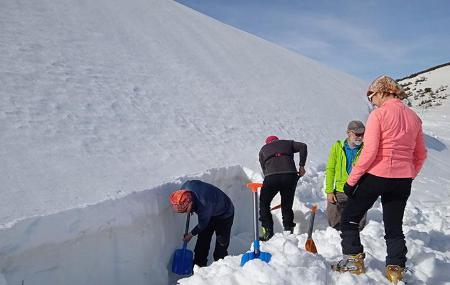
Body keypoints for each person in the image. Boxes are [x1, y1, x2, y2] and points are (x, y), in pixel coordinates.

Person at [332, 76, 427, 283]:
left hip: (377, 175)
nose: (371, 100)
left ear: (384, 92)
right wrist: (409, 174)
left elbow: (370, 151)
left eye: (372, 95)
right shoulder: (414, 118)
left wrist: (351, 181)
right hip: (403, 180)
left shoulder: (379, 115)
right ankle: (396, 269)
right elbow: (420, 154)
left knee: (349, 216)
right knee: (394, 225)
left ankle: (353, 261)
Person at [169, 180, 234, 267]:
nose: (185, 213)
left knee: (221, 247)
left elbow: (202, 225)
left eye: (185, 211)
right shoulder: (184, 190)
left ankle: (222, 269)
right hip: (210, 208)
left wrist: (191, 234)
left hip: (224, 213)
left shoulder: (203, 204)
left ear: (190, 203)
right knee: (202, 244)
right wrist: (190, 209)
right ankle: (198, 267)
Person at [258, 135, 308, 241]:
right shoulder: (287, 143)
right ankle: (288, 229)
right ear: (277, 140)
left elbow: (264, 168)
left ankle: (267, 231)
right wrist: (301, 166)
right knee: (286, 204)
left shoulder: (263, 149)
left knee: (264, 203)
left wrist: (272, 176)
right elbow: (303, 146)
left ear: (267, 143)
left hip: (272, 177)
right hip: (289, 176)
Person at [325, 120, 367, 231]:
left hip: (358, 190)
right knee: (333, 214)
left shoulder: (366, 149)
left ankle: (359, 233)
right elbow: (330, 169)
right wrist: (329, 191)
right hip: (340, 189)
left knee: (358, 223)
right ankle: (335, 234)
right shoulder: (337, 148)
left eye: (363, 134)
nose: (360, 137)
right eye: (357, 134)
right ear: (348, 133)